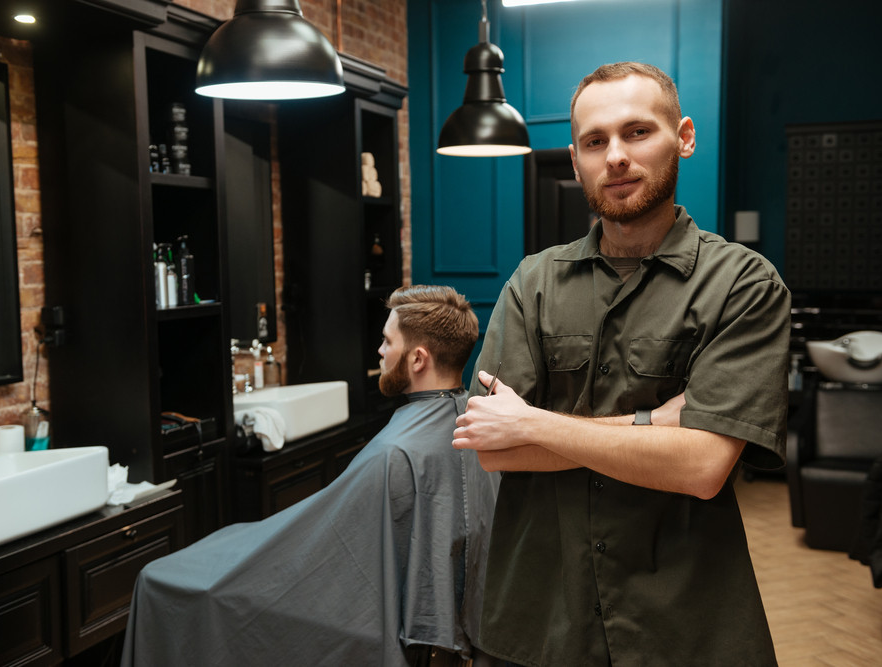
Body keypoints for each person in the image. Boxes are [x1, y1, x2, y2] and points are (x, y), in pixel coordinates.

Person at [452, 62, 790, 666]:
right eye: (594, 141)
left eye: (637, 132)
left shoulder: (742, 283)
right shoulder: (534, 281)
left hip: (684, 620)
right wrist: (657, 424)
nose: (615, 156)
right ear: (576, 158)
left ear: (682, 136)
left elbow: (704, 465)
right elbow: (493, 446)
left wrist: (533, 423)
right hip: (542, 612)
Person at [121, 285, 501, 667]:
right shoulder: (479, 424)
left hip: (353, 609)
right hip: (467, 634)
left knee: (162, 579)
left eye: (387, 342)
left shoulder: (395, 453)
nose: (380, 352)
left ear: (418, 359)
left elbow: (325, 557)